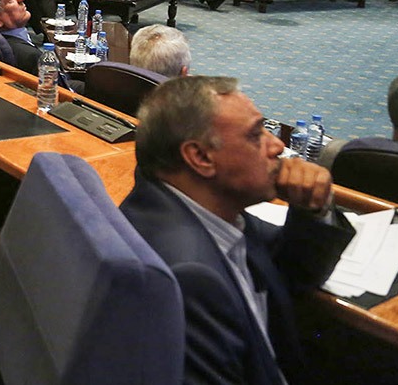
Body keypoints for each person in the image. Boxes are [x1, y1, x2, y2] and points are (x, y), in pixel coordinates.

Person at [120, 76, 354, 385]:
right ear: (201, 157)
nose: (278, 146)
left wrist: (313, 208)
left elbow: (290, 269)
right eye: (256, 135)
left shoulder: (182, 203)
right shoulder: (190, 278)